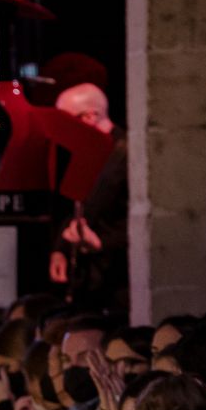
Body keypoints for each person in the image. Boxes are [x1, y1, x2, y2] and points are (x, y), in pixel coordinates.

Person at [48, 82, 127, 309]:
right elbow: (81, 209)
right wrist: (61, 249)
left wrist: (101, 243)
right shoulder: (87, 156)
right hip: (91, 284)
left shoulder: (130, 156)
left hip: (119, 286)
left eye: (65, 124)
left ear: (89, 118)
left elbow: (149, 226)